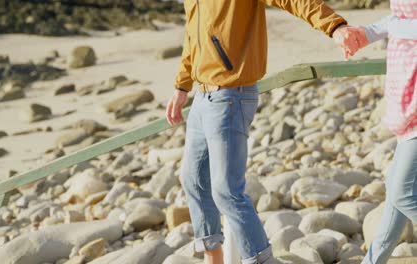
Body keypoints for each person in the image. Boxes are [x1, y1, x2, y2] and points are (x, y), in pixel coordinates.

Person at [165, 1, 360, 263]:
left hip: (230, 96)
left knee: (226, 190)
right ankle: (214, 258)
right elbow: (193, 35)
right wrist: (181, 87)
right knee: (194, 180)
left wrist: (334, 26)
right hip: (201, 97)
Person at [340, 2, 417, 264]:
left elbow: (400, 23)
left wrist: (389, 28)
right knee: (395, 192)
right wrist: (367, 33)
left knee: (402, 192)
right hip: (408, 99)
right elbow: (399, 18)